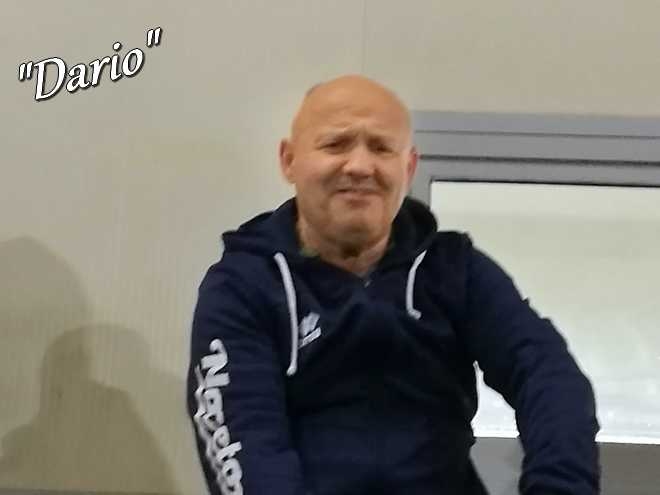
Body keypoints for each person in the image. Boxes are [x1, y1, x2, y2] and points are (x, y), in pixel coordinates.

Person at [186, 75, 600, 495]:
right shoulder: (242, 287)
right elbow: (245, 441)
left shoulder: (455, 270)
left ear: (409, 167)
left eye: (382, 148)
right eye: (336, 144)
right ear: (289, 160)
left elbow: (548, 375)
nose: (360, 166)